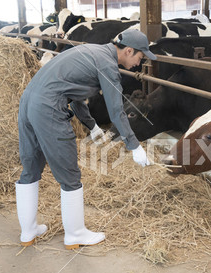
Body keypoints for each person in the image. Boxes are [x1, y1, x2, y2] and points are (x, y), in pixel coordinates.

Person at [16, 29, 156, 250]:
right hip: (48, 108)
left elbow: (75, 94)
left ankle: (28, 231)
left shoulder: (93, 53)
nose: (139, 64)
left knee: (31, 168)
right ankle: (75, 234)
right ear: (129, 50)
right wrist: (134, 145)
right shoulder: (108, 65)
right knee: (70, 174)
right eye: (140, 57)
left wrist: (91, 126)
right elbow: (116, 110)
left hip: (28, 102)